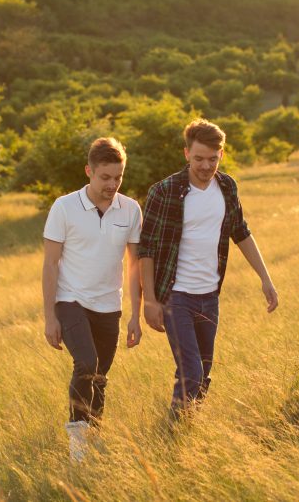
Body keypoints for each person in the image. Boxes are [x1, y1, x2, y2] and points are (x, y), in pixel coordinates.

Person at [138, 119, 278, 417]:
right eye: (199, 158)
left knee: (204, 373)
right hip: (176, 296)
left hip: (209, 296)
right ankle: (174, 432)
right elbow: (145, 249)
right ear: (186, 153)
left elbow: (240, 232)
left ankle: (188, 427)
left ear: (221, 155)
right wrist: (149, 300)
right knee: (191, 372)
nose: (205, 165)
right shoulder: (164, 191)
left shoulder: (226, 186)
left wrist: (265, 278)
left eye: (212, 159)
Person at [41, 137, 143, 461]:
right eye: (105, 177)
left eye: (118, 177)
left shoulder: (130, 210)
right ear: (89, 171)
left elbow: (136, 265)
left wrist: (136, 316)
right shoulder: (64, 207)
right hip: (71, 300)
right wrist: (49, 317)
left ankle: (94, 435)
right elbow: (50, 263)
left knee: (100, 377)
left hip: (109, 306)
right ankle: (77, 439)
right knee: (86, 364)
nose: (112, 184)